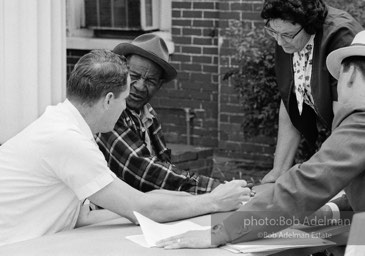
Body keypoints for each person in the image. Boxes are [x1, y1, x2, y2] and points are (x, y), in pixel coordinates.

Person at [0, 49, 251, 246]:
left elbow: (84, 216)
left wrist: (180, 202)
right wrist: (213, 202)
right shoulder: (67, 139)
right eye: (124, 100)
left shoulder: (66, 125)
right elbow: (141, 208)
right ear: (109, 99)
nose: (126, 109)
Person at [156, 30, 365, 249]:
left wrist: (221, 232)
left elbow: (309, 183)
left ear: (348, 76)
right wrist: (330, 210)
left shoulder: (360, 123)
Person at [96, 33, 222, 194]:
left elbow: (164, 166)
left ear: (160, 85)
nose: (141, 86)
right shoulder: (110, 112)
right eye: (134, 76)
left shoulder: (148, 115)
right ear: (121, 72)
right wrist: (214, 189)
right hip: (109, 213)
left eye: (150, 81)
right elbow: (145, 172)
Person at [261, 0, 363, 183]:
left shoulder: (341, 36)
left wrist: (326, 178)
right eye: (272, 31)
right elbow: (291, 99)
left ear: (309, 24)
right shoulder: (286, 34)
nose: (279, 41)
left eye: (287, 35)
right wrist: (279, 171)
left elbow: (346, 118)